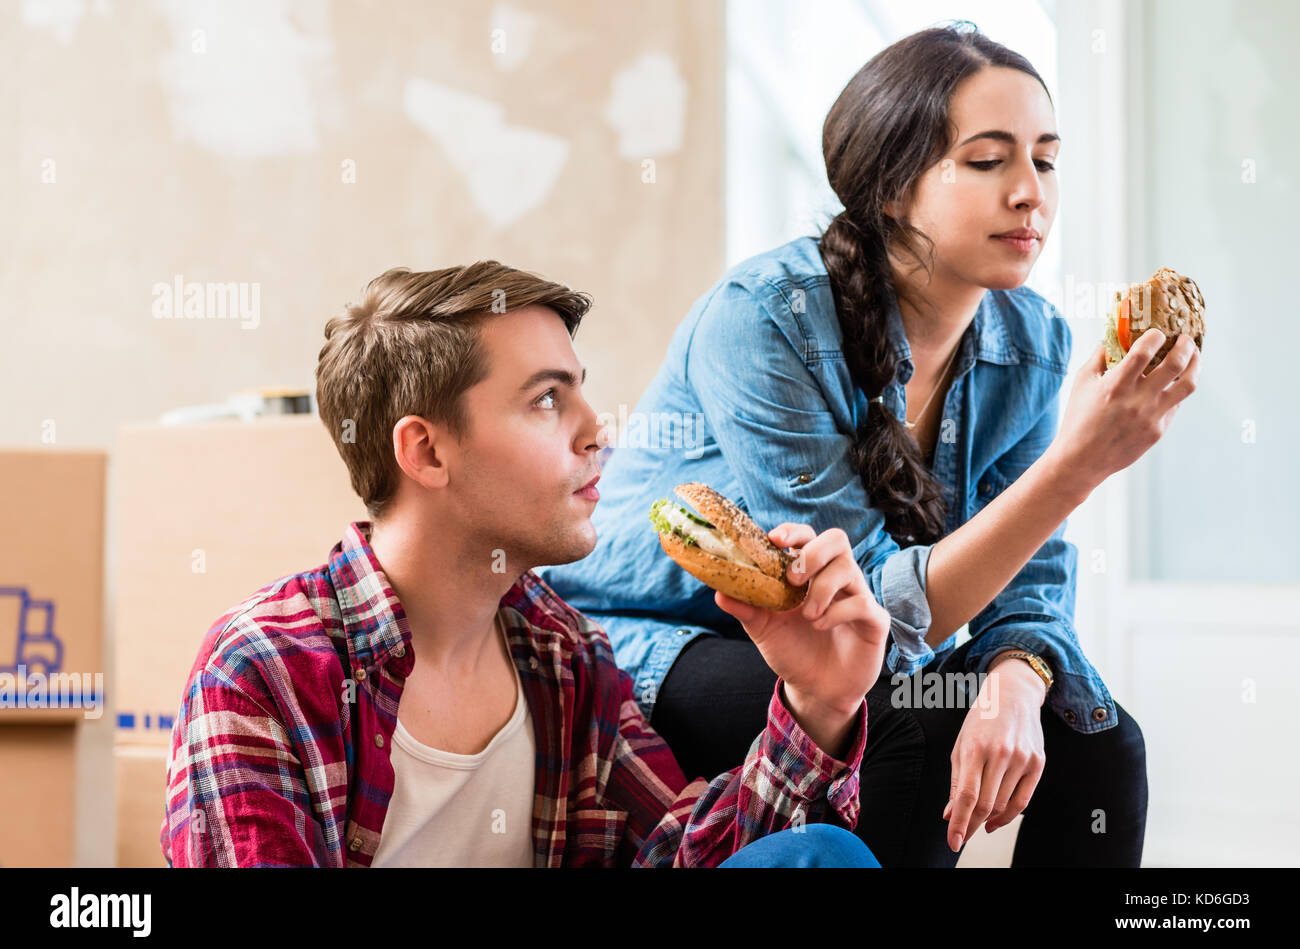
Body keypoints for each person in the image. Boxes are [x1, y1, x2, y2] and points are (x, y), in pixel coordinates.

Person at [539, 22, 1199, 867]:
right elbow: (863, 616)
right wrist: (1080, 462)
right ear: (892, 189)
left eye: (1046, 158)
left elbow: (1027, 581)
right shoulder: (765, 317)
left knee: (1099, 736)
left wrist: (1017, 676)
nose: (1031, 191)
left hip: (844, 650)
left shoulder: (1030, 341)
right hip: (663, 641)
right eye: (990, 160)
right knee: (909, 723)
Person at [160, 261, 887, 868]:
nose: (596, 429)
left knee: (818, 854)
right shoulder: (264, 669)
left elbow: (679, 852)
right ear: (427, 451)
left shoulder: (565, 656)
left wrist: (816, 702)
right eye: (546, 399)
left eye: (579, 388)